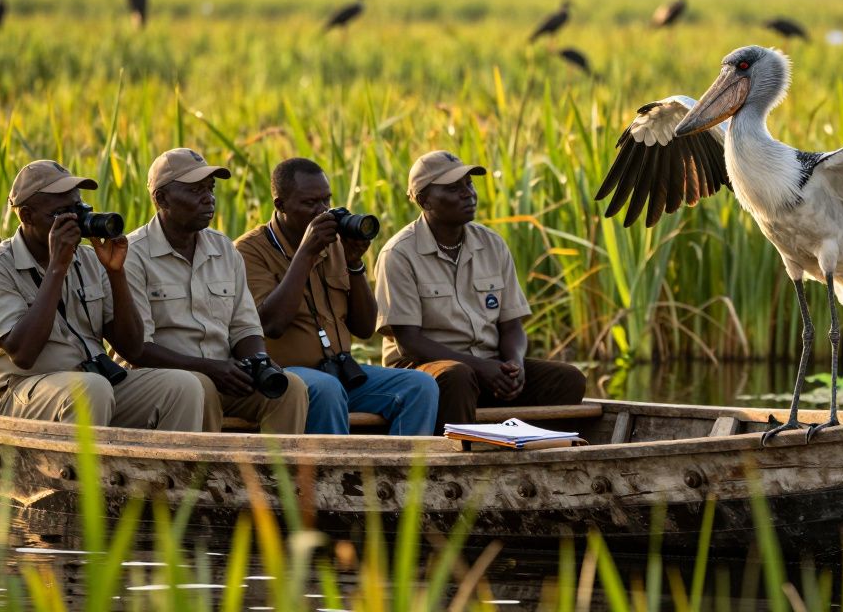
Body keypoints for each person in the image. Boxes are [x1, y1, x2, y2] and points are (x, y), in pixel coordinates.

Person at [0, 160, 203, 429]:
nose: (75, 221)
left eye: (78, 209)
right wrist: (57, 267)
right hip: (23, 392)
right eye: (61, 213)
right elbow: (23, 354)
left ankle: (166, 471)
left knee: (184, 386)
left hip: (93, 382)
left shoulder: (89, 260)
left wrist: (116, 273)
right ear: (27, 216)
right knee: (89, 390)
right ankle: (83, 472)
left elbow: (133, 348)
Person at [373, 151, 586, 434]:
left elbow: (512, 326)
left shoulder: (492, 244)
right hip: (427, 371)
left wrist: (514, 364)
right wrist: (479, 368)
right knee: (458, 376)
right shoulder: (399, 253)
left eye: (469, 184)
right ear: (424, 200)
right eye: (453, 188)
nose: (468, 194)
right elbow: (409, 342)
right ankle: (460, 460)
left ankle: (524, 450)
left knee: (567, 379)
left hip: (487, 367)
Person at [236, 158, 438, 435]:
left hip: (341, 369)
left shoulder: (334, 245)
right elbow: (271, 324)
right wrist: (305, 254)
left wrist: (354, 263)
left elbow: (365, 329)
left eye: (326, 201)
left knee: (420, 386)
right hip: (288, 377)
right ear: (280, 205)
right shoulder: (249, 252)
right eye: (310, 204)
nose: (322, 212)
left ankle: (402, 476)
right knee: (326, 389)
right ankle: (333, 477)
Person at [122, 149, 308, 433]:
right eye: (195, 190)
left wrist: (259, 361)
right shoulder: (132, 255)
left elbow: (245, 326)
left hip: (223, 376)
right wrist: (209, 369)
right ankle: (202, 477)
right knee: (199, 386)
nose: (208, 198)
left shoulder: (223, 248)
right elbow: (138, 349)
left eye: (210, 189)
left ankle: (277, 476)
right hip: (165, 381)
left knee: (289, 387)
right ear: (161, 198)